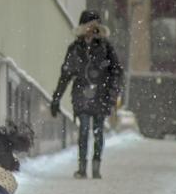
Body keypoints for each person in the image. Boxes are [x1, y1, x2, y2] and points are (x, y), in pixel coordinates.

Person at [50, 10, 123, 180]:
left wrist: (112, 94)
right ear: (83, 28)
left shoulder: (106, 48)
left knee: (98, 132)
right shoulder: (75, 49)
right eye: (89, 26)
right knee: (83, 131)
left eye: (95, 26)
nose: (92, 30)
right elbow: (66, 75)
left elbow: (117, 72)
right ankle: (82, 168)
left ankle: (96, 167)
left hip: (101, 95)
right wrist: (56, 98)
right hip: (81, 95)